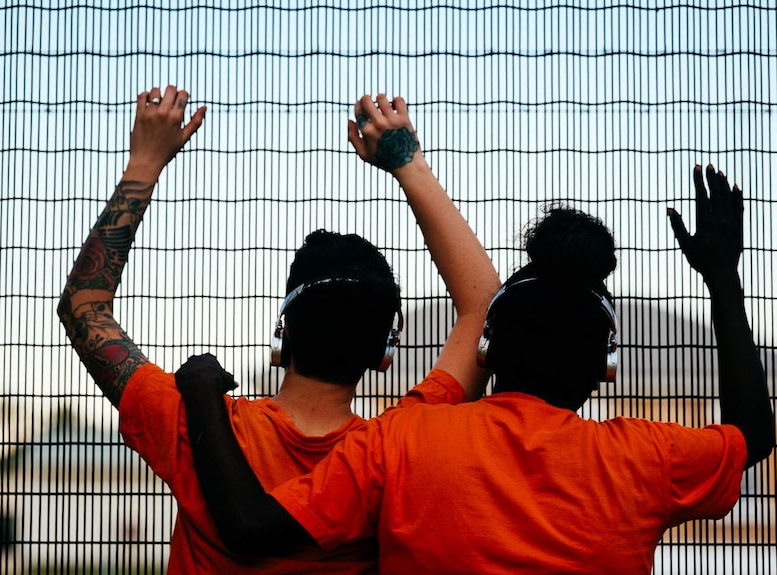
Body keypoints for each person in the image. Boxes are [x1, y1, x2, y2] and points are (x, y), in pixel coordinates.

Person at [176, 165, 775, 574]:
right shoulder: (647, 458)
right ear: (605, 368)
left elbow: (250, 527)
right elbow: (752, 436)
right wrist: (722, 278)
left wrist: (202, 393)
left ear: (487, 353)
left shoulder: (404, 439)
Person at [57, 86, 500, 573]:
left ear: (283, 334)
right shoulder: (396, 449)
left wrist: (144, 162)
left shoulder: (189, 420)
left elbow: (84, 307)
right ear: (384, 353)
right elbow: (483, 308)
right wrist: (406, 162)